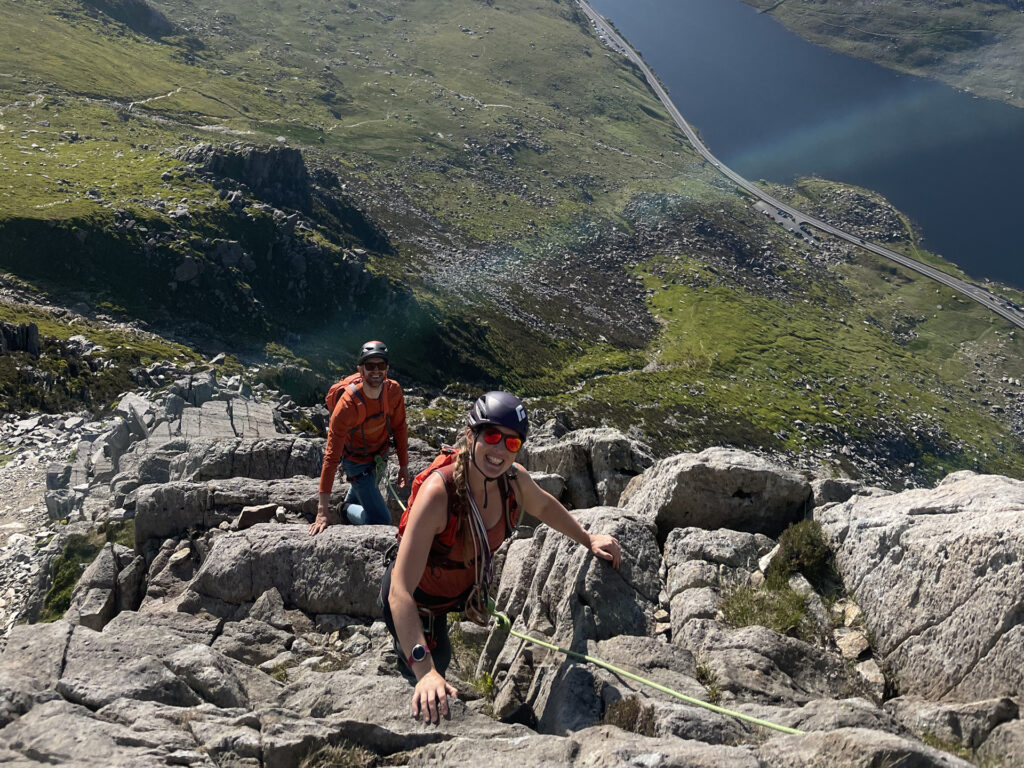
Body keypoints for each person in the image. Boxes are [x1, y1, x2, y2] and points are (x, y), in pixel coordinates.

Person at [380, 391, 622, 724]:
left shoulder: (512, 481)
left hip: (448, 598)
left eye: (511, 444)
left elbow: (545, 506)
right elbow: (399, 590)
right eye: (492, 436)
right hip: (415, 602)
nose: (500, 450)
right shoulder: (439, 494)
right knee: (432, 681)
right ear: (470, 436)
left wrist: (588, 538)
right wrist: (424, 671)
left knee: (442, 661)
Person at [309, 340, 410, 533]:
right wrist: (322, 511)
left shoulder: (393, 391)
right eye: (370, 366)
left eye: (380, 365)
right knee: (381, 519)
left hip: (379, 456)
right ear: (360, 370)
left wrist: (404, 465)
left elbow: (399, 428)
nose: (376, 371)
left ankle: (349, 504)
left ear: (387, 369)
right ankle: (344, 510)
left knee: (364, 491)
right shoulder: (347, 406)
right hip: (356, 462)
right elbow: (330, 458)